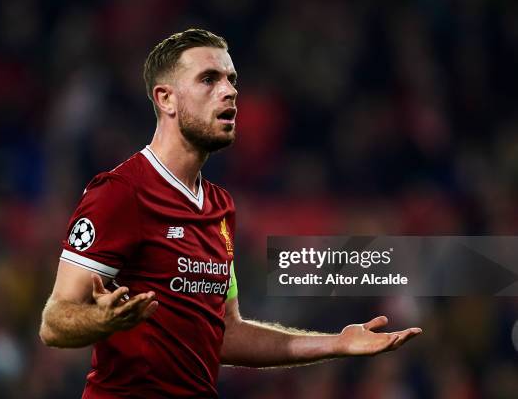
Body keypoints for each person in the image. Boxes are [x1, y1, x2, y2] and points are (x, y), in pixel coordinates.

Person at [39, 28, 422, 398]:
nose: (229, 91)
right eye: (209, 79)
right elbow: (54, 322)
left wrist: (336, 343)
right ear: (166, 99)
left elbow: (226, 332)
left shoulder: (220, 207)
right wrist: (100, 321)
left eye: (231, 79)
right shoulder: (121, 193)